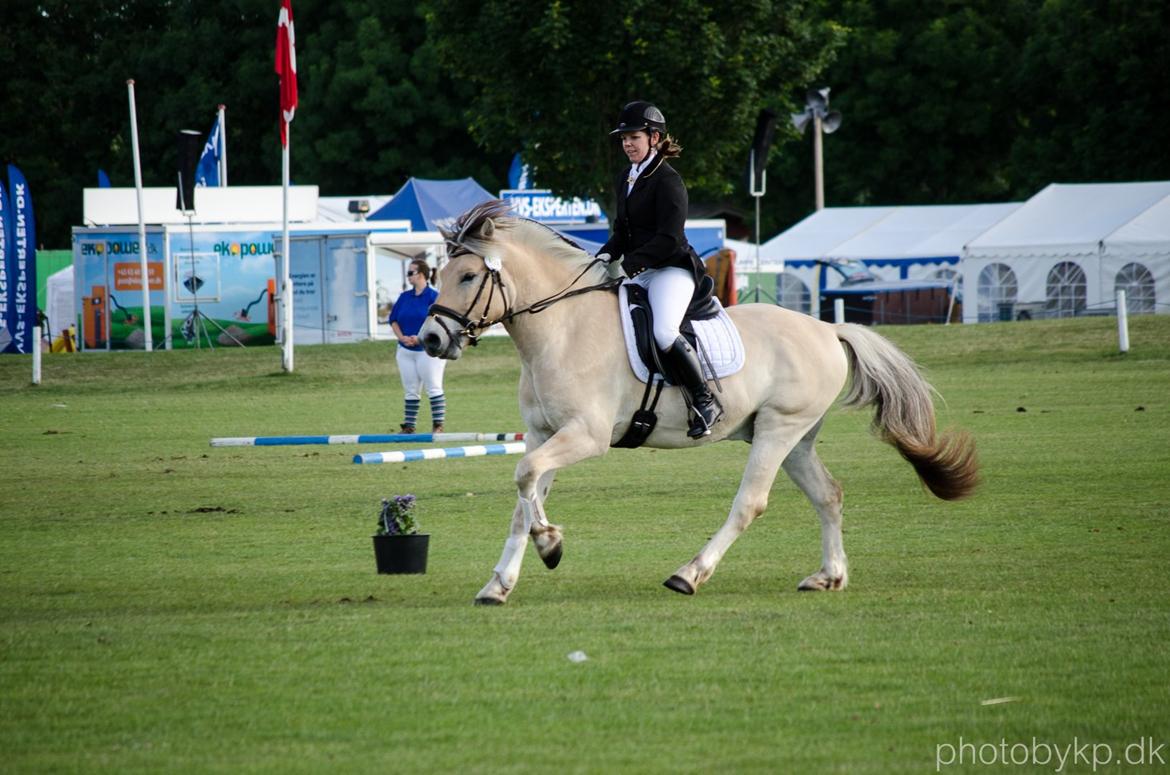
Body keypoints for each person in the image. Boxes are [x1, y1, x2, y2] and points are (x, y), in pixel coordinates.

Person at [598, 100, 722, 438]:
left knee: (665, 332)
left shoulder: (668, 181)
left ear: (654, 137)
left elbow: (669, 239)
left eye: (633, 137)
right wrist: (604, 257)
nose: (627, 144)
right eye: (623, 138)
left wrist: (629, 266)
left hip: (672, 269)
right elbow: (621, 232)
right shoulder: (627, 176)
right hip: (638, 269)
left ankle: (705, 400)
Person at [388, 258, 447, 433]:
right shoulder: (404, 296)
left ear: (421, 275)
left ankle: (438, 425)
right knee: (411, 389)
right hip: (405, 349)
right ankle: (409, 426)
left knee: (433, 386)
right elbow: (393, 319)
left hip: (428, 350)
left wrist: (419, 338)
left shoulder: (434, 296)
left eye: (410, 273)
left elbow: (438, 322)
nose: (408, 276)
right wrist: (402, 338)